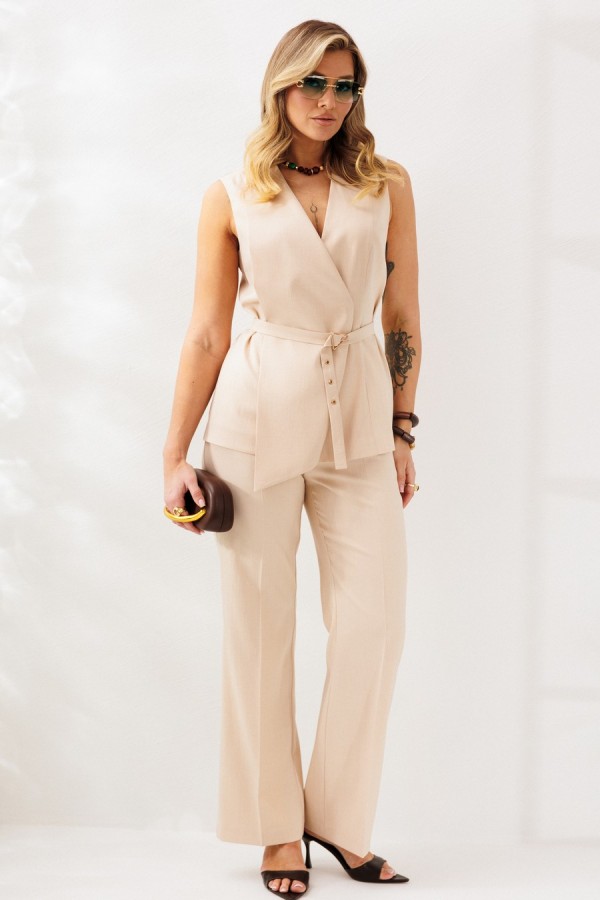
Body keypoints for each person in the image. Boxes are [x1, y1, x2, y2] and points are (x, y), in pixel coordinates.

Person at [162, 18, 421, 897]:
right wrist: (173, 455)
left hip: (359, 425)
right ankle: (279, 829)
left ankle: (337, 821)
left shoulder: (387, 184)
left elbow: (402, 319)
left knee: (375, 623)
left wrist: (402, 431)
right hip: (254, 420)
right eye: (314, 82)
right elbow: (207, 331)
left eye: (345, 86)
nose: (328, 100)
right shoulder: (234, 192)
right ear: (282, 86)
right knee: (261, 629)